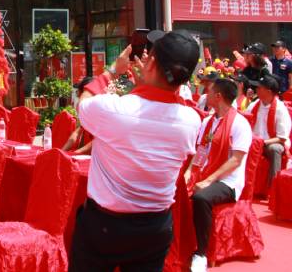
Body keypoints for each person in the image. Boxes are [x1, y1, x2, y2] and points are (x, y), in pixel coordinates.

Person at [69, 30, 202, 272]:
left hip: (105, 227)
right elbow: (156, 109)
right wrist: (145, 86)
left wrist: (112, 70)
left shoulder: (115, 109)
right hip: (155, 227)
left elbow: (83, 103)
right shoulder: (191, 121)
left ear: (151, 63)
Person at [187, 78, 252, 272]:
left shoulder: (240, 123)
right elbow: (201, 150)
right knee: (175, 187)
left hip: (227, 181)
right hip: (205, 172)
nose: (205, 94)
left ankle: (201, 253)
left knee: (201, 198)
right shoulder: (208, 121)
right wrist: (189, 171)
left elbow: (236, 161)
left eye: (209, 91)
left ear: (218, 96)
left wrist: (208, 180)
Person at [247, 74, 291, 188]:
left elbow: (282, 138)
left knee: (275, 149)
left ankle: (273, 186)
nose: (256, 89)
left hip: (271, 142)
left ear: (268, 91)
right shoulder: (254, 105)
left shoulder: (280, 109)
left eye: (259, 88)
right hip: (255, 141)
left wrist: (262, 142)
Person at [63, 77, 94, 155]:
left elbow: (99, 141)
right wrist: (62, 151)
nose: (78, 95)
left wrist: (76, 152)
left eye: (79, 92)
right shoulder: (85, 107)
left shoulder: (100, 109)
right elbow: (77, 132)